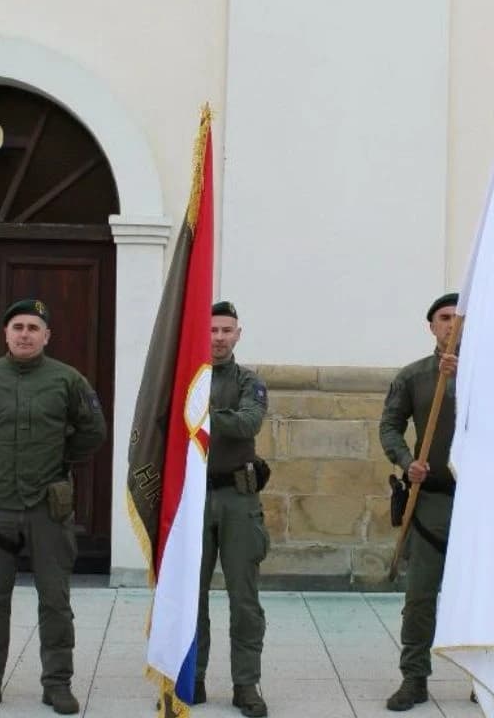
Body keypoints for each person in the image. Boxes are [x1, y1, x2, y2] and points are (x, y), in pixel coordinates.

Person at [0, 299, 106, 716]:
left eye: (34, 327)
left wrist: (59, 457)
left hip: (47, 508)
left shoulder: (68, 380)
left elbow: (93, 429)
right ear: (6, 333)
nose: (24, 334)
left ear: (47, 335)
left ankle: (57, 683)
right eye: (17, 326)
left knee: (55, 599)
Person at [379, 292, 459, 712]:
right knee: (420, 595)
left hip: (477, 506)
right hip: (430, 501)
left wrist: (464, 377)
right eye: (444, 318)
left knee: (479, 594)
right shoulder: (413, 376)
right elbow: (390, 427)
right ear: (432, 326)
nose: (452, 324)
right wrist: (407, 462)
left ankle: (485, 677)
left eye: (459, 317)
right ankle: (414, 677)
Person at [195, 301, 270, 718]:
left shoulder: (249, 382)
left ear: (238, 334)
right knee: (193, 599)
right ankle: (195, 677)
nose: (219, 337)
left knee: (244, 599)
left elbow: (247, 423)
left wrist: (199, 415)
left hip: (238, 500)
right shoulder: (185, 380)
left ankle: (246, 684)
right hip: (193, 501)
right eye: (212, 330)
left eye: (226, 330)